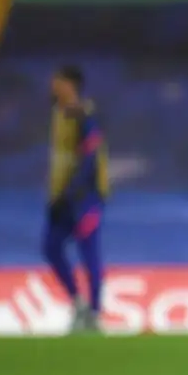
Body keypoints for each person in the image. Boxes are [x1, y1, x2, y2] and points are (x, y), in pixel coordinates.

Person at [43, 66, 108, 336]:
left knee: (89, 253)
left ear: (70, 85)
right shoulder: (58, 113)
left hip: (85, 200)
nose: (52, 85)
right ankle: (78, 304)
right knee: (50, 248)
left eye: (58, 81)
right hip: (61, 199)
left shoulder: (84, 116)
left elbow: (90, 159)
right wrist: (56, 195)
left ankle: (94, 314)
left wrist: (75, 194)